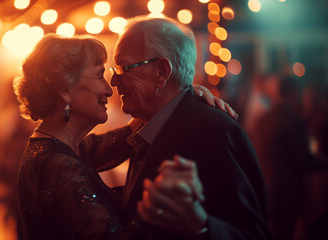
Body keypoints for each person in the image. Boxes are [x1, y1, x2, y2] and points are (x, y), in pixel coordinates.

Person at [14, 33, 234, 239]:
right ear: (65, 89)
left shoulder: (57, 149)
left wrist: (178, 94)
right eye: (100, 75)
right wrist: (164, 207)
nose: (109, 90)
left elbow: (125, 138)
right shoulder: (57, 164)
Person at [108, 16, 273, 239]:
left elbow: (255, 234)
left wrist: (201, 226)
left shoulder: (215, 132)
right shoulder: (150, 127)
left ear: (161, 72)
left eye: (123, 68)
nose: (114, 82)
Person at [253, 76, 327, 240]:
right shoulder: (294, 120)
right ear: (293, 93)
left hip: (264, 191)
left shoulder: (262, 120)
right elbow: (303, 159)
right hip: (287, 195)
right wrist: (323, 162)